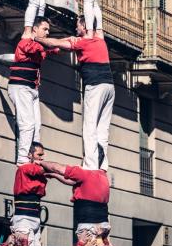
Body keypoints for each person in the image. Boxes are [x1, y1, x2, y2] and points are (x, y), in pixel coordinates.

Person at [35, 17, 114, 171]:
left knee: (89, 126)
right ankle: (102, 164)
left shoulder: (83, 42)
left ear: (84, 26)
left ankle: (90, 165)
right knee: (102, 129)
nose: (75, 28)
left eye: (77, 26)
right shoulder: (99, 39)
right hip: (109, 87)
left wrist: (36, 38)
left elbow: (55, 43)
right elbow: (67, 40)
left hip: (95, 85)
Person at [8, 18, 59, 165]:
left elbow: (53, 49)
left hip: (32, 89)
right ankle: (22, 159)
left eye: (48, 30)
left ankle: (34, 153)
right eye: (45, 29)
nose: (47, 32)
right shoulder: (25, 42)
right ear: (35, 29)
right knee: (28, 124)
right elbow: (38, 48)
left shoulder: (38, 44)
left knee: (37, 125)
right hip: (20, 87)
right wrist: (51, 45)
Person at [38, 158, 110, 238]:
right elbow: (73, 181)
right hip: (102, 224)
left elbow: (57, 168)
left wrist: (41, 162)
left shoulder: (85, 173)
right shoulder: (102, 175)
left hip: (89, 224)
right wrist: (54, 175)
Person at [11, 142, 48, 246]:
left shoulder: (37, 170)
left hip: (34, 217)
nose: (42, 157)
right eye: (39, 154)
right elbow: (44, 170)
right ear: (29, 155)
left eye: (42, 155)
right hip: (24, 218)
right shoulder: (25, 168)